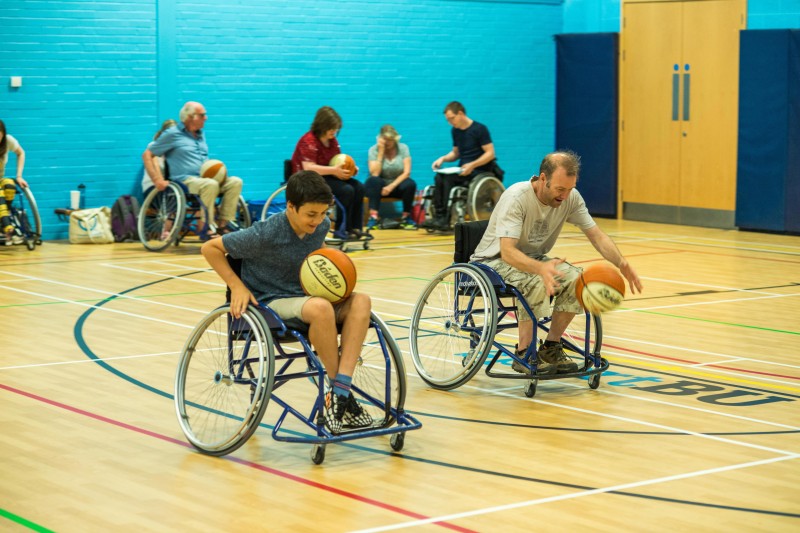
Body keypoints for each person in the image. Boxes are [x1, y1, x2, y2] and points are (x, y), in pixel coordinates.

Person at [201, 170, 374, 434]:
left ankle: (342, 389)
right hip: (270, 302)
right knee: (320, 308)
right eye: (310, 215)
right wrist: (236, 286)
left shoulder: (321, 226)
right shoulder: (266, 232)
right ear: (291, 207)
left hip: (306, 296)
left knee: (361, 300)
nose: (317, 221)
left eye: (323, 214)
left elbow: (315, 256)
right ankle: (340, 393)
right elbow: (210, 248)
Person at [471, 151, 643, 375]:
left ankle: (551, 347)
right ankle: (524, 352)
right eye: (560, 189)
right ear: (543, 179)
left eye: (570, 189)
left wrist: (622, 263)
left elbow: (596, 235)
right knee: (536, 279)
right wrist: (540, 268)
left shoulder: (571, 197)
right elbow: (508, 252)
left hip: (534, 258)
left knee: (577, 278)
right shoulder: (517, 198)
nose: (565, 196)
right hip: (493, 262)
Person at [142, 102, 243, 237]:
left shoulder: (201, 135)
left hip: (203, 179)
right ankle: (205, 226)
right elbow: (147, 154)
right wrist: (157, 179)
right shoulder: (173, 134)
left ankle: (224, 224)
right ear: (190, 117)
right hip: (185, 181)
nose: (205, 118)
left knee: (235, 181)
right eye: (202, 115)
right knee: (210, 184)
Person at [424, 101, 504, 230]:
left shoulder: (479, 129)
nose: (450, 122)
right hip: (463, 169)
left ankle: (446, 219)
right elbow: (455, 153)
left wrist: (473, 165)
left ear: (460, 113)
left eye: (452, 118)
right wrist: (442, 159)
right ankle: (439, 216)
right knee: (439, 177)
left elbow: (490, 153)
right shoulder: (455, 131)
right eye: (448, 120)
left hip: (479, 170)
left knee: (449, 179)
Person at [290, 106, 366, 239]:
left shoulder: (332, 141)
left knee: (359, 187)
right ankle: (341, 229)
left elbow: (337, 161)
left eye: (336, 129)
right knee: (346, 190)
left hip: (327, 177)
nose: (334, 132)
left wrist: (350, 169)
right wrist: (334, 170)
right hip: (308, 179)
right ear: (322, 126)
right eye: (332, 128)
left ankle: (354, 227)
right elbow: (308, 167)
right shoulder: (308, 140)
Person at [364, 124, 417, 231]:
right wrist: (381, 153)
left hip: (396, 185)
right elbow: (374, 173)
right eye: (385, 139)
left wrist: (391, 186)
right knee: (373, 180)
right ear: (380, 139)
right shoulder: (373, 150)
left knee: (410, 184)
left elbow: (407, 172)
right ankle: (373, 217)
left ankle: (406, 217)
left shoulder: (403, 148)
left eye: (390, 140)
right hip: (379, 188)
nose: (388, 142)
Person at [0, 119, 27, 245]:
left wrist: (19, 176)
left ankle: (3, 220)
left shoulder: (8, 140)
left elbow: (21, 153)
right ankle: (7, 226)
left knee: (10, 185)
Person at [140, 118, 177, 194]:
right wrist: (159, 180)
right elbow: (155, 164)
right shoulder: (154, 145)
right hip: (153, 186)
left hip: (169, 186)